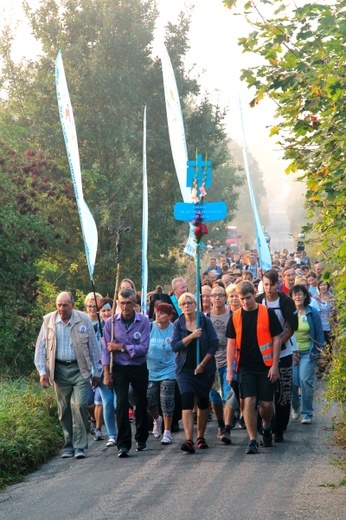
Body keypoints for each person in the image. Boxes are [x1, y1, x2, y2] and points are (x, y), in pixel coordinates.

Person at [34, 292, 102, 459]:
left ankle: (80, 446)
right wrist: (43, 372)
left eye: (65, 305)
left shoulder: (83, 319)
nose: (61, 308)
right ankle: (69, 445)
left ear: (72, 304)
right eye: (58, 305)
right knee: (64, 409)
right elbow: (40, 348)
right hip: (59, 370)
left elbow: (94, 347)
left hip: (80, 369)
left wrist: (97, 372)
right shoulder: (49, 321)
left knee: (79, 405)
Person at [226, 281, 282, 454]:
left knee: (266, 404)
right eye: (241, 299)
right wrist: (229, 369)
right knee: (248, 401)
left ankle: (265, 426)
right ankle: (252, 440)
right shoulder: (235, 316)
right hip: (245, 367)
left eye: (247, 298)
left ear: (253, 295)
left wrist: (274, 365)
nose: (244, 302)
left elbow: (277, 339)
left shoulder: (267, 313)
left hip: (265, 366)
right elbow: (230, 343)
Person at [103, 288, 150, 458]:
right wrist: (106, 373)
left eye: (129, 303)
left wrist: (122, 347)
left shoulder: (143, 322)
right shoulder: (111, 323)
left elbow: (143, 349)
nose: (125, 307)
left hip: (138, 366)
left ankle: (142, 436)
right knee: (122, 402)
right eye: (122, 303)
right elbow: (106, 350)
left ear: (134, 303)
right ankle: (123, 444)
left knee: (140, 401)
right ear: (118, 304)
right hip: (120, 367)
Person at [172, 292, 218, 454]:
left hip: (204, 369)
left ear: (195, 304)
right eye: (183, 304)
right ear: (180, 306)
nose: (187, 306)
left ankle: (200, 436)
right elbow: (175, 346)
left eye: (190, 303)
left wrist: (203, 363)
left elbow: (214, 344)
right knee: (187, 399)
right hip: (185, 369)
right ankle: (189, 439)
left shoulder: (204, 321)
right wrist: (192, 336)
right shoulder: (179, 323)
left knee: (203, 402)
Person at [256, 269, 298, 442]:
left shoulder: (286, 301)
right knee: (264, 393)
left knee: (283, 393)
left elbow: (291, 327)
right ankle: (264, 425)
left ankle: (279, 428)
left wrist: (278, 343)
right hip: (263, 354)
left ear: (277, 284)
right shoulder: (259, 301)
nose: (269, 288)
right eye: (266, 284)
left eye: (272, 284)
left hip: (284, 352)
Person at [290, 285, 324, 424]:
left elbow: (319, 333)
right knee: (293, 381)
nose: (297, 297)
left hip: (308, 353)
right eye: (295, 294)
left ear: (305, 296)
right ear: (291, 297)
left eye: (300, 294)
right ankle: (295, 406)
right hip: (292, 352)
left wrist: (321, 352)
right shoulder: (289, 313)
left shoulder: (312, 312)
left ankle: (307, 413)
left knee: (305, 380)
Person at [147, 303, 176, 445]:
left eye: (162, 313)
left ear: (170, 316)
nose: (158, 315)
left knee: (166, 399)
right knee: (149, 399)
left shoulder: (174, 329)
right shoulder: (150, 327)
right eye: (157, 312)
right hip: (151, 369)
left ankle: (167, 432)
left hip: (169, 368)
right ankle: (156, 420)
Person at [208, 285, 233, 445]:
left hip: (229, 361)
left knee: (229, 396)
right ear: (210, 298)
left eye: (220, 295)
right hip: (212, 363)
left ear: (225, 297)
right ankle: (220, 424)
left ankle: (228, 429)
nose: (217, 298)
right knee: (215, 397)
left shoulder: (232, 315)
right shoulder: (205, 317)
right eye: (214, 295)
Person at [97, 297, 117, 447]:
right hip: (102, 371)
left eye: (108, 310)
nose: (106, 313)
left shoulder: (118, 325)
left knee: (118, 403)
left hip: (119, 369)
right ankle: (111, 434)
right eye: (103, 310)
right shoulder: (95, 329)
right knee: (108, 402)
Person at [84, 292, 104, 441]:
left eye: (95, 306)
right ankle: (93, 418)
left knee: (99, 400)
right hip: (86, 366)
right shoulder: (83, 323)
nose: (92, 309)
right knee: (88, 401)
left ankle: (98, 428)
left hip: (101, 366)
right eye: (89, 306)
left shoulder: (104, 323)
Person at [313, 280, 336, 378]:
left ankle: (327, 369)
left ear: (328, 286)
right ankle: (320, 367)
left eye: (324, 285)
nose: (323, 287)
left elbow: (336, 314)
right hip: (319, 327)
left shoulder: (333, 299)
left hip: (330, 327)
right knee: (320, 347)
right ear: (318, 287)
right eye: (321, 285)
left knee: (329, 348)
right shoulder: (315, 299)